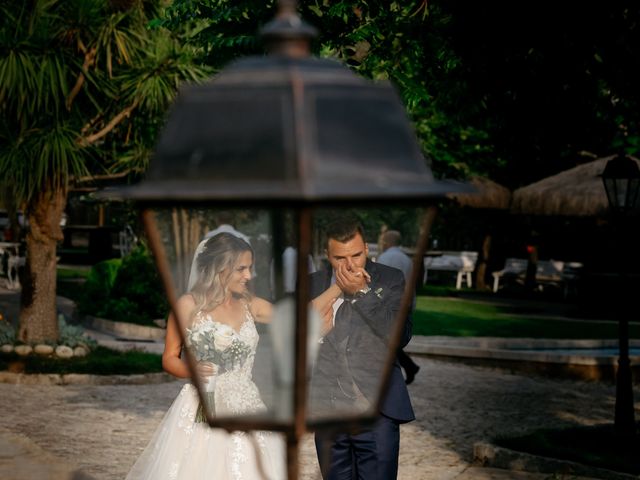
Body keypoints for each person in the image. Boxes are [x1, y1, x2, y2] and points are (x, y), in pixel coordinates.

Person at [126, 232, 285, 480]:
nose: (249, 276)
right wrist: (194, 371)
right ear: (220, 268)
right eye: (241, 269)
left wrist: (337, 289)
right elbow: (169, 357)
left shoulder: (248, 303)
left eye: (250, 268)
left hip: (246, 404)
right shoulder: (187, 306)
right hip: (203, 403)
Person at [309, 216, 415, 480]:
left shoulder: (391, 279)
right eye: (339, 258)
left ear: (367, 248)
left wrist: (363, 292)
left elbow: (399, 335)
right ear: (327, 255)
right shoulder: (312, 284)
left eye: (356, 255)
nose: (350, 265)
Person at [376, 230, 421, 385]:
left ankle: (406, 368)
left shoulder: (384, 258)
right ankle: (409, 366)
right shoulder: (407, 260)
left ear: (387, 242)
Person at [187, 212, 251, 290]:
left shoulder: (209, 236)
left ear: (217, 220)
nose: (248, 276)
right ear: (232, 221)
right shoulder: (243, 237)